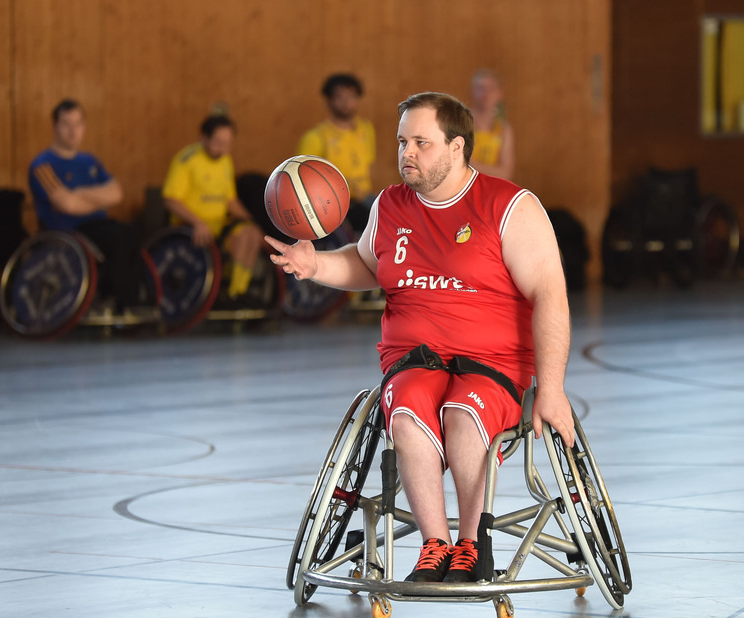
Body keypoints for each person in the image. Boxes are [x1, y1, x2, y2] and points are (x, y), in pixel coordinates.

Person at [267, 92, 575, 583]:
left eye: (420, 143)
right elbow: (367, 262)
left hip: (492, 361)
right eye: (402, 142)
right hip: (413, 359)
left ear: (457, 147)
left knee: (462, 413)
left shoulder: (510, 206)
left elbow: (550, 296)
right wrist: (316, 264)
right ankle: (435, 546)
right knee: (407, 413)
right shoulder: (391, 204)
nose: (406, 153)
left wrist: (553, 388)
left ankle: (473, 545)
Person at [29, 99, 145, 313]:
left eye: (78, 124)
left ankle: (134, 300)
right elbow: (67, 205)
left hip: (98, 224)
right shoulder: (43, 164)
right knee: (117, 237)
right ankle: (115, 299)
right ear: (55, 127)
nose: (73, 131)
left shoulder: (90, 161)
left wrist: (82, 192)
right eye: (67, 124)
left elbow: (117, 194)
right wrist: (99, 199)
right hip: (68, 231)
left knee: (129, 232)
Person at [162, 115, 265, 301]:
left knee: (252, 233)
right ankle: (233, 292)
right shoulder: (187, 160)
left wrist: (252, 222)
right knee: (242, 237)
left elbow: (230, 201)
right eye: (218, 142)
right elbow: (170, 200)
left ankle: (239, 290)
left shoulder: (226, 161)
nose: (223, 148)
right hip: (192, 225)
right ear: (203, 138)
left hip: (219, 224)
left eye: (227, 143)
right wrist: (197, 222)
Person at [297, 73, 376, 231]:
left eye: (352, 96)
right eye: (340, 96)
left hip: (364, 198)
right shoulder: (315, 137)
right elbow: (302, 181)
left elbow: (369, 163)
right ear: (329, 101)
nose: (346, 102)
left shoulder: (366, 129)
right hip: (333, 204)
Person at [468, 69, 515, 180]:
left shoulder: (504, 129)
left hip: (491, 189)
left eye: (491, 89)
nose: (486, 93)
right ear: (472, 92)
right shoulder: (461, 123)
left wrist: (471, 165)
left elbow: (505, 173)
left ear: (500, 93)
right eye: (481, 88)